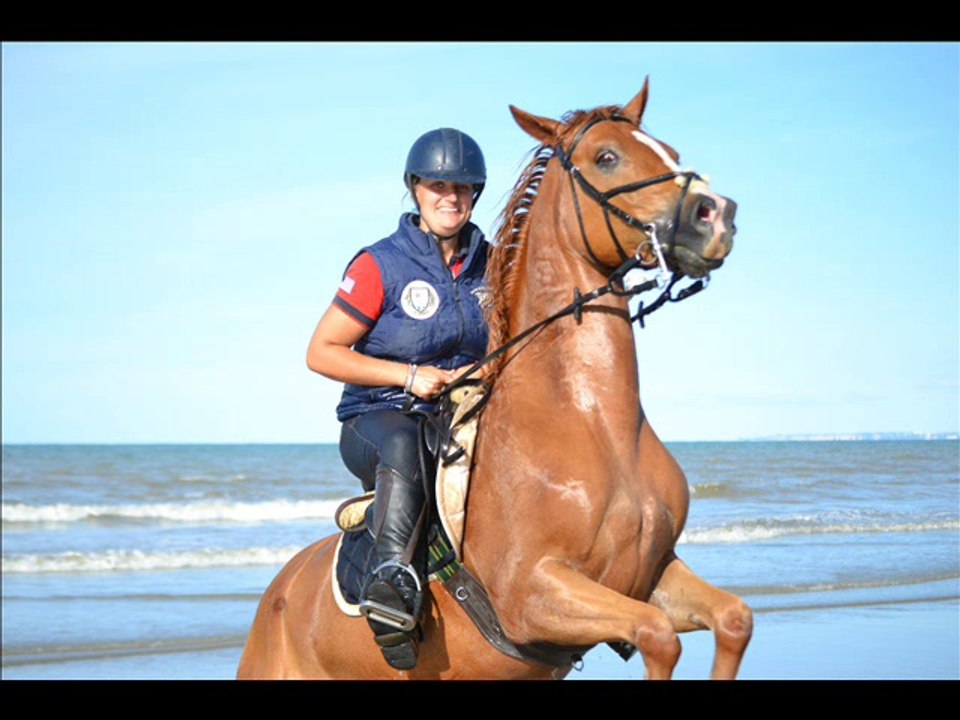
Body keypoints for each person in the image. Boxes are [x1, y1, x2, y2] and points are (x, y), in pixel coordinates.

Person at [306, 128, 490, 670]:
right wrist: (410, 376)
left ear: (475, 193)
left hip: (461, 418)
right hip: (378, 421)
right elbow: (321, 352)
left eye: (461, 187)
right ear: (415, 189)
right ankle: (390, 583)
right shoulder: (379, 264)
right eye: (437, 185)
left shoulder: (494, 266)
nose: (449, 197)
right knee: (407, 440)